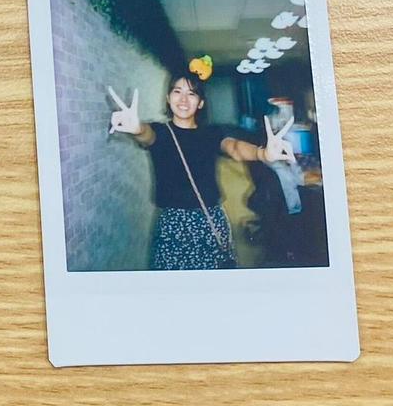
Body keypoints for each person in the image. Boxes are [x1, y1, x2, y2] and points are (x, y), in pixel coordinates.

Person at [106, 69, 296, 270]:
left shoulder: (211, 133)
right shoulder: (160, 132)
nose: (184, 99)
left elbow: (234, 148)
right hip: (171, 224)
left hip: (209, 221)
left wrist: (262, 153)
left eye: (192, 93)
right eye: (177, 91)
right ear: (168, 98)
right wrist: (136, 128)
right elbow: (146, 135)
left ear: (201, 103)